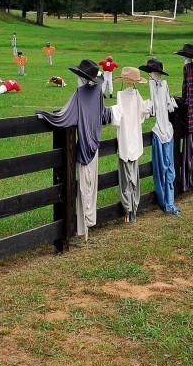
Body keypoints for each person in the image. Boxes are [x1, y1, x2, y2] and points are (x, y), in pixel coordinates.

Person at [36, 59, 111, 241]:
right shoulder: (98, 93)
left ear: (82, 78)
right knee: (91, 188)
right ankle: (88, 224)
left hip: (84, 147)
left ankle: (83, 227)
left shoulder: (79, 94)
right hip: (95, 145)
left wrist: (45, 116)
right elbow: (103, 115)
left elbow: (64, 115)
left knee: (84, 189)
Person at [109, 67, 152, 224]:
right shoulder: (136, 95)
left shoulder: (121, 95)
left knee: (125, 176)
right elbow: (143, 111)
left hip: (125, 139)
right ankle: (132, 208)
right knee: (134, 174)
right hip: (135, 138)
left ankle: (128, 209)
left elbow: (117, 116)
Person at [139, 57, 180, 215]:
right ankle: (167, 201)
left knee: (166, 168)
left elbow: (156, 108)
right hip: (164, 129)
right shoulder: (155, 84)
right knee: (165, 168)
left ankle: (168, 201)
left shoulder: (162, 85)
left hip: (165, 130)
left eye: (150, 72)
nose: (150, 75)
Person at [175, 43, 193, 192]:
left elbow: (186, 94)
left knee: (186, 153)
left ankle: (186, 182)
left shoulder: (186, 69)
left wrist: (179, 101)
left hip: (188, 117)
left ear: (186, 57)